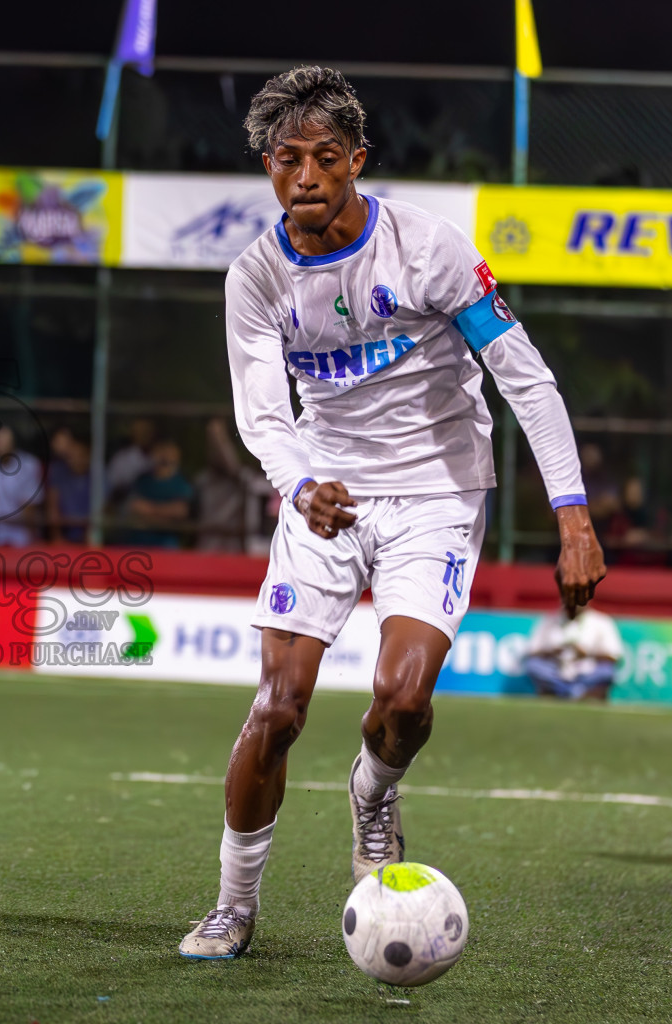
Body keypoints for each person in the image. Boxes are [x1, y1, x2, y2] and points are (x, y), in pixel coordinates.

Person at [178, 67, 605, 960]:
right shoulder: (254, 279)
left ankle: (373, 793)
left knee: (403, 700)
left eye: (325, 158)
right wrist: (300, 487)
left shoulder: (429, 249)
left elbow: (523, 376)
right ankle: (232, 906)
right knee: (277, 708)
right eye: (287, 160)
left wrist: (572, 511)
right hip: (324, 495)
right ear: (267, 168)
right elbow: (262, 414)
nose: (306, 177)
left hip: (438, 494)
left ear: (356, 160)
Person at [196, 416, 274, 553]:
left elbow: (232, 465)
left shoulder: (245, 477)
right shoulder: (203, 479)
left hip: (234, 550)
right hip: (208, 546)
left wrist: (217, 433)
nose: (215, 445)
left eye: (220, 439)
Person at [523, 604, 623, 701]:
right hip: (555, 671)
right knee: (534, 665)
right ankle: (572, 692)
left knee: (607, 670)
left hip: (588, 672)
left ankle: (573, 692)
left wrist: (586, 654)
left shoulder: (602, 621)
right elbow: (531, 651)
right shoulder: (549, 619)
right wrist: (553, 652)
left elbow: (614, 656)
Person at [126, 439, 195, 549]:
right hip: (138, 545)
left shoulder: (182, 483)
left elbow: (180, 511)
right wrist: (164, 512)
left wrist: (150, 510)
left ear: (177, 457)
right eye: (161, 451)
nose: (165, 457)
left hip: (166, 547)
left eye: (169, 453)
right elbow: (135, 507)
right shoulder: (142, 480)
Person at [46, 427, 92, 544]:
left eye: (80, 455)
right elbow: (53, 507)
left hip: (90, 537)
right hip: (65, 536)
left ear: (88, 456)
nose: (75, 459)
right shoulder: (58, 471)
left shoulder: (97, 476)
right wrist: (57, 537)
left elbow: (103, 510)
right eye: (72, 455)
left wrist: (90, 539)